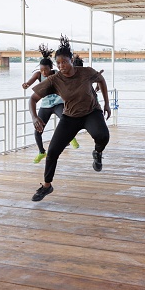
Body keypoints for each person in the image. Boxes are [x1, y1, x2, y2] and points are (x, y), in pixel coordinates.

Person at [29, 35, 111, 202]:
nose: (61, 66)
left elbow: (101, 80)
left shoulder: (86, 72)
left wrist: (107, 104)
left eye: (64, 62)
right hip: (70, 117)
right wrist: (35, 117)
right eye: (58, 64)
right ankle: (47, 186)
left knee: (103, 136)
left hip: (91, 112)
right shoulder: (54, 80)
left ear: (71, 60)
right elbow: (33, 99)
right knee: (52, 152)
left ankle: (97, 152)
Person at [22, 44, 79, 163]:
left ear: (51, 68)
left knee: (66, 119)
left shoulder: (57, 74)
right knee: (38, 130)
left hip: (58, 103)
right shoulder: (38, 74)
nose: (43, 72)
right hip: (46, 106)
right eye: (42, 70)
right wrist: (26, 84)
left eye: (46, 70)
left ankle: (71, 137)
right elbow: (30, 82)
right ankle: (42, 152)